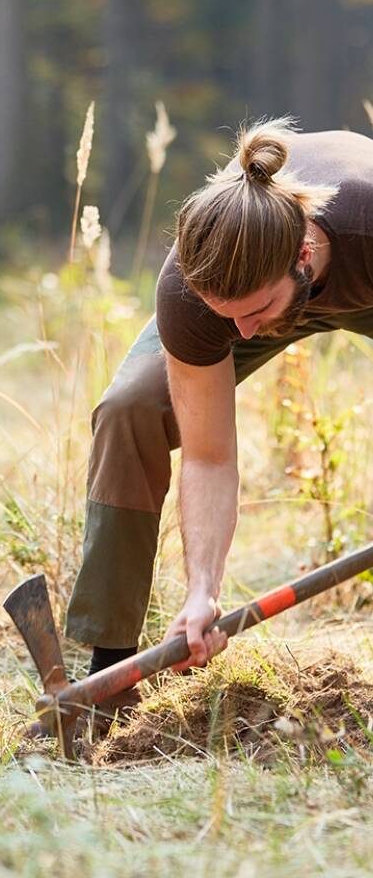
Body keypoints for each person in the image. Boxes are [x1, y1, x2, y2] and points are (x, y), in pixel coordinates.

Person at [65, 117, 373, 725]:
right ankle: (111, 669)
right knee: (129, 409)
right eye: (224, 317)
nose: (242, 336)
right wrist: (201, 590)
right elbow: (209, 455)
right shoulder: (197, 290)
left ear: (303, 256)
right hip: (255, 284)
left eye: (254, 312)